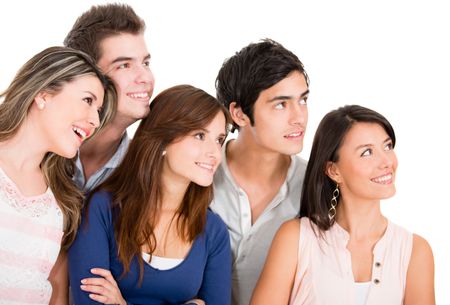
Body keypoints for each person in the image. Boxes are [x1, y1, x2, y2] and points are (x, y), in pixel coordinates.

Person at [250, 105, 435, 305]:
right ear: (333, 171)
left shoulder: (415, 251)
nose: (386, 162)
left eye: (387, 146)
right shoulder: (295, 239)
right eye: (367, 152)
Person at [68, 85, 233, 305]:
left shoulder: (214, 231)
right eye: (200, 135)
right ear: (163, 139)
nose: (214, 153)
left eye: (219, 139)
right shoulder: (103, 208)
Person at [0, 46, 116, 305]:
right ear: (44, 94)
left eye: (98, 110)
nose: (95, 121)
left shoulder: (62, 202)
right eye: (88, 100)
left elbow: (56, 291)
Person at [210, 38, 309, 305]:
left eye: (303, 100)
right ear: (239, 114)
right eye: (281, 104)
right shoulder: (199, 172)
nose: (299, 117)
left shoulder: (315, 186)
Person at [64, 3, 155, 193]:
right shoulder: (39, 145)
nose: (146, 78)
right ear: (86, 73)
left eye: (145, 63)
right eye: (124, 65)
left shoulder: (145, 173)